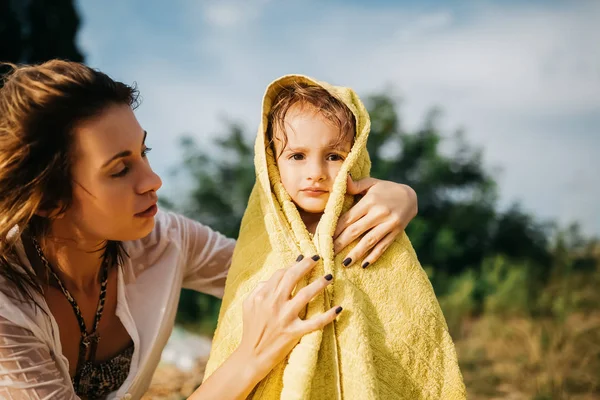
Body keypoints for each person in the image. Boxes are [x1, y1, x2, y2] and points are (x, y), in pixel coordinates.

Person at [0, 60, 418, 400]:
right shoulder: (7, 309)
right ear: (50, 197)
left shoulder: (165, 240)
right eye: (121, 168)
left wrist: (391, 197)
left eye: (143, 152)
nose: (153, 180)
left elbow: (281, 269)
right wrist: (246, 362)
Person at [204, 76, 465, 399]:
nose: (316, 172)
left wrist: (407, 194)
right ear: (271, 162)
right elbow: (234, 332)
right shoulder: (259, 250)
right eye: (297, 155)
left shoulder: (374, 229)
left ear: (354, 157)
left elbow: (411, 326)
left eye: (334, 156)